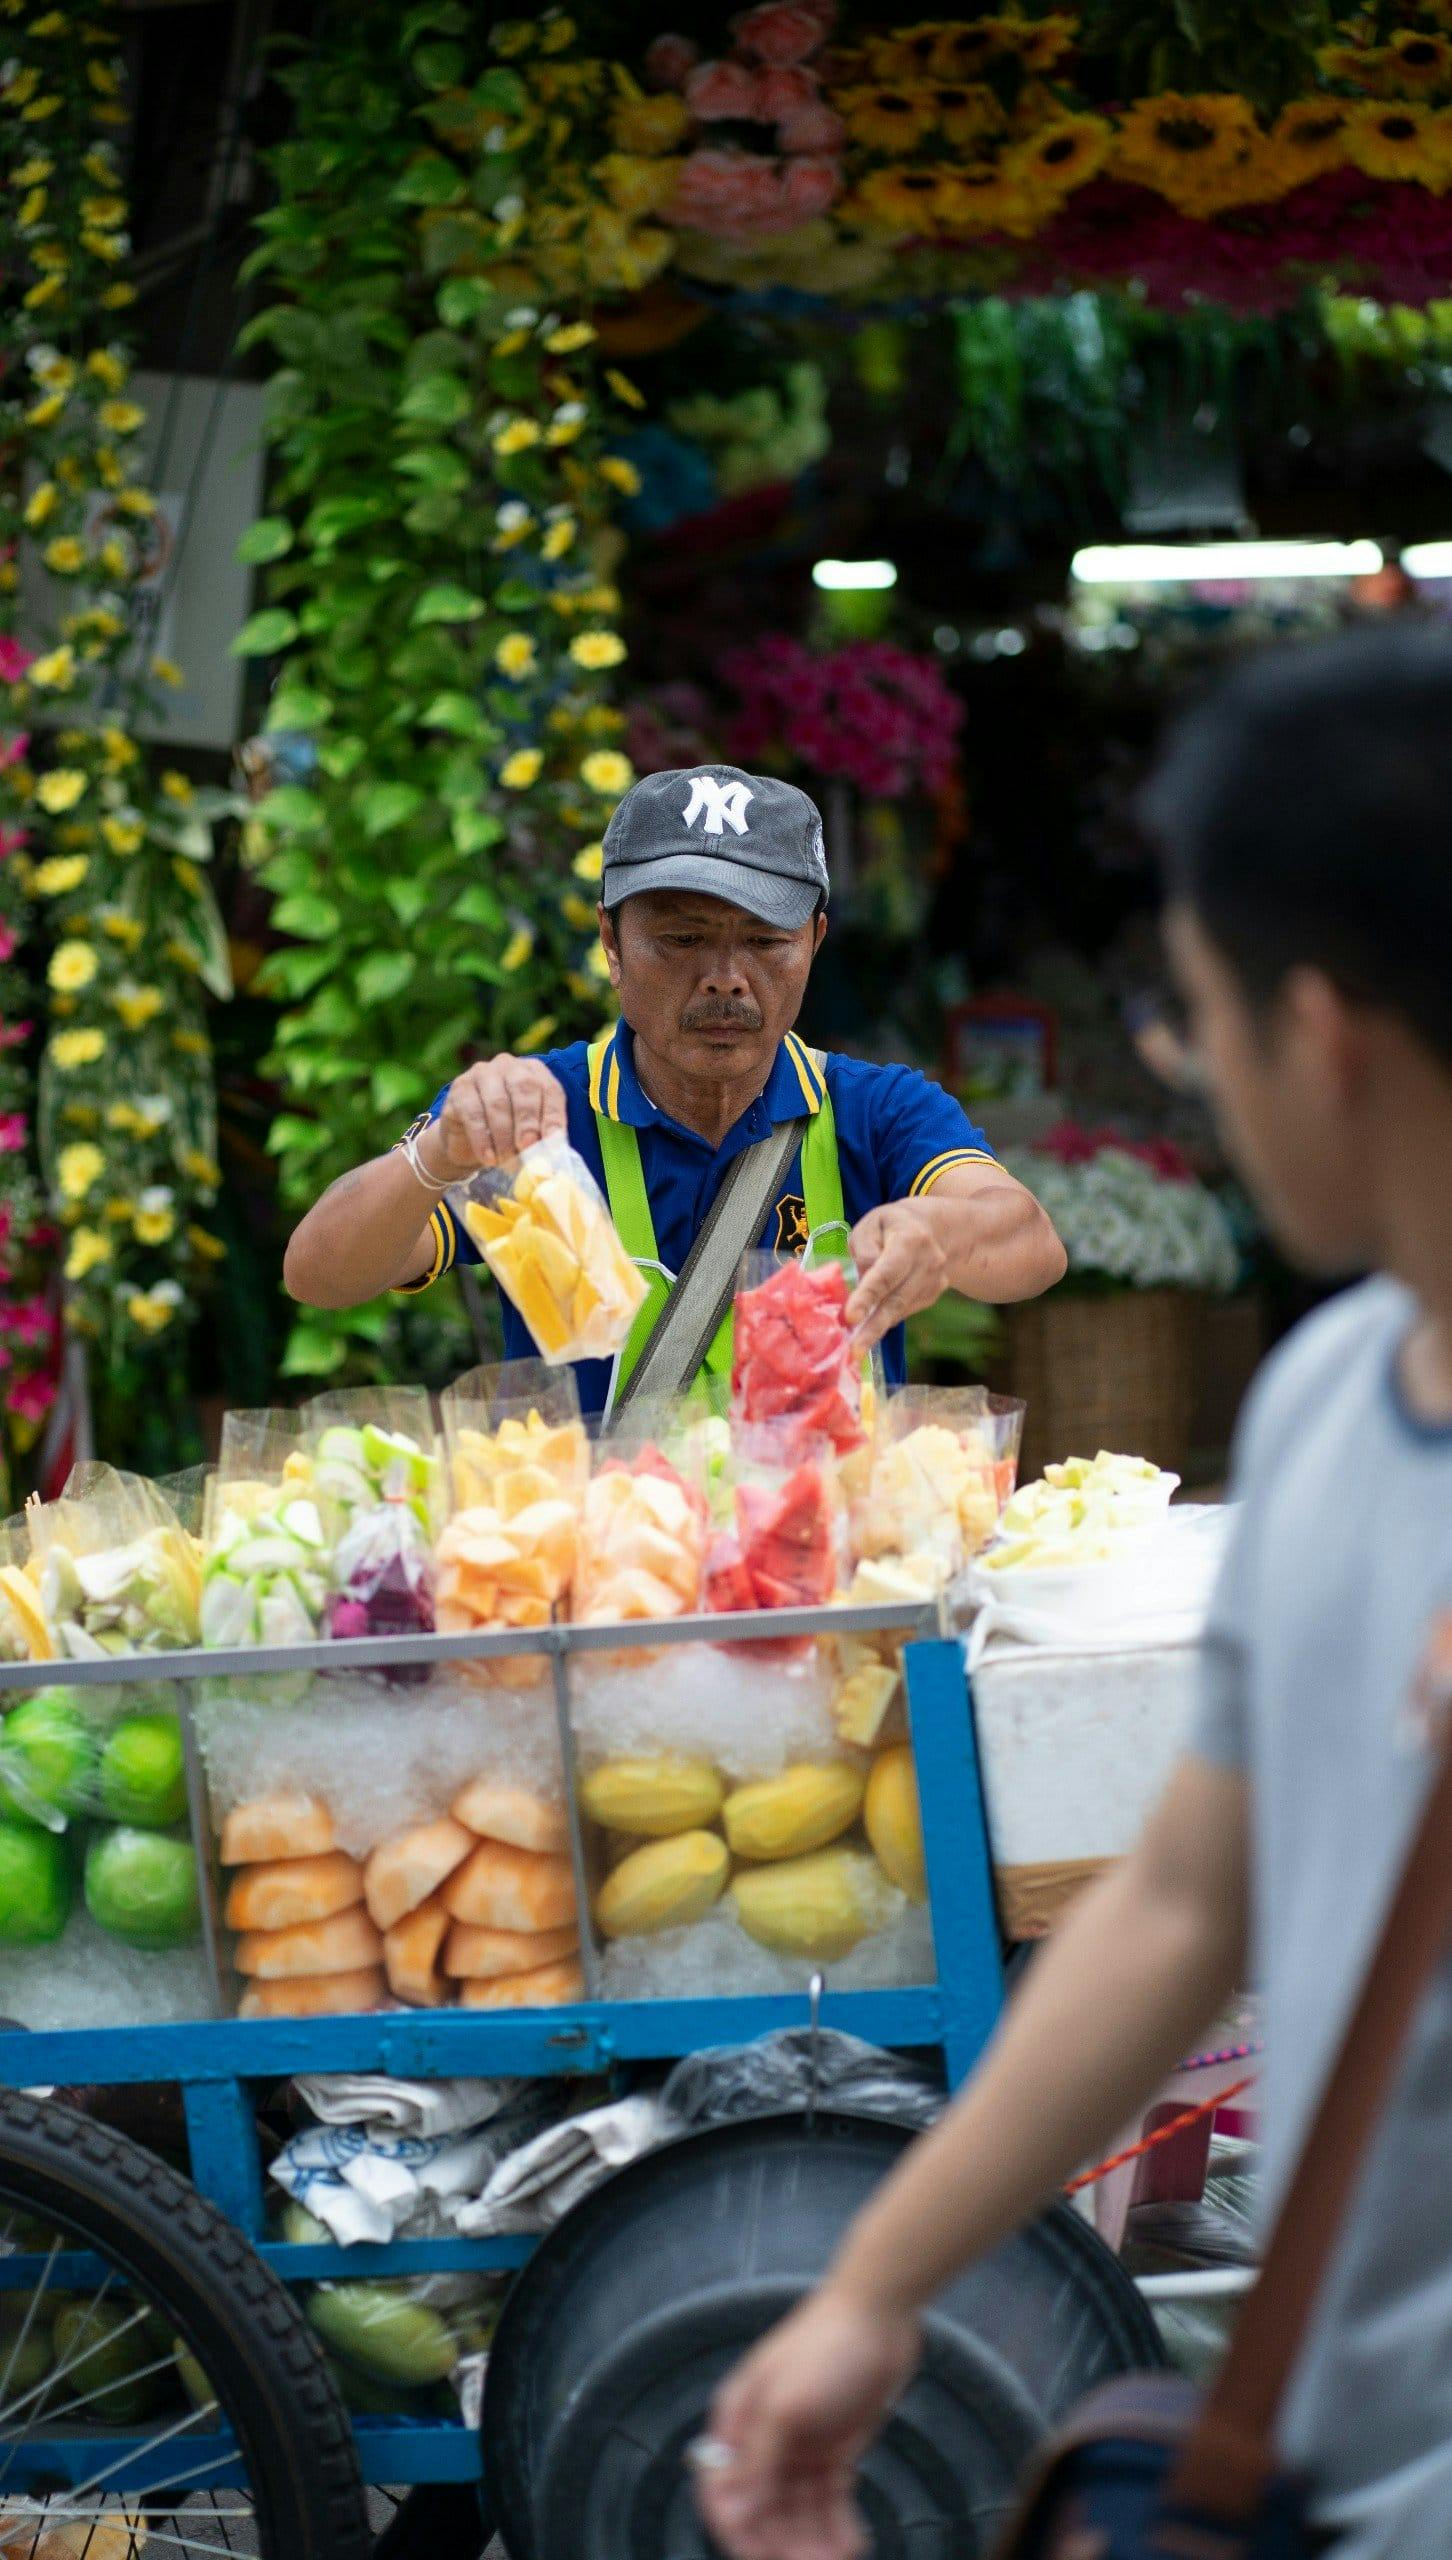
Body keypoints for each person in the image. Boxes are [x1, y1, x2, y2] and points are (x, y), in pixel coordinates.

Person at [698, 625, 1452, 2560]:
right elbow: (1188, 1901)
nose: (1190, 1079)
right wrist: (879, 2287)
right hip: (1346, 2451)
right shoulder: (1319, 1405)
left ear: (1323, 1036)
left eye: (1192, 1025)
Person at [284, 764, 1064, 1409]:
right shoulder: (531, 1120)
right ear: (611, 944)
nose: (726, 980)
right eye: (682, 940)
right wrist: (437, 1157)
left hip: (820, 1576)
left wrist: (941, 1234)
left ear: (816, 942)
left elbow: (1030, 1247)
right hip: (600, 1578)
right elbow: (321, 1274)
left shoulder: (878, 1112)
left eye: (765, 942)